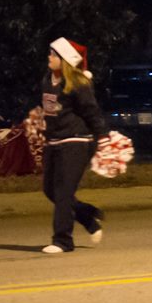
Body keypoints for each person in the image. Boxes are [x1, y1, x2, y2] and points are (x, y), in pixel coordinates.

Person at [40, 38, 109, 254]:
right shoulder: (47, 80)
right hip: (54, 141)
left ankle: (62, 241)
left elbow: (92, 111)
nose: (49, 58)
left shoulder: (78, 83)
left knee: (63, 191)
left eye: (53, 54)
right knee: (50, 190)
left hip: (76, 141)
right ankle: (88, 217)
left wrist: (103, 136)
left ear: (64, 60)